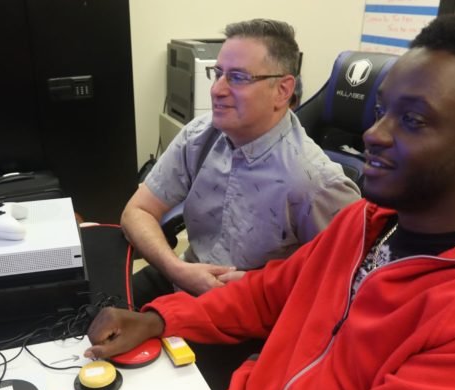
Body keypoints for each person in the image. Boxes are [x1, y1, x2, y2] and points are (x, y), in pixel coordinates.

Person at [18, 13, 455, 390]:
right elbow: (264, 295)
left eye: (412, 121)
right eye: (381, 111)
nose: (375, 133)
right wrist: (161, 320)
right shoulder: (364, 224)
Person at [125, 18, 360, 309]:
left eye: (237, 77)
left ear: (283, 90)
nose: (217, 90)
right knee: (90, 315)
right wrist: (177, 269)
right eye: (218, 74)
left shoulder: (315, 182)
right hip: (184, 275)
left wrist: (257, 286)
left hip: (247, 309)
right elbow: (136, 210)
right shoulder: (201, 134)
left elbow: (342, 281)